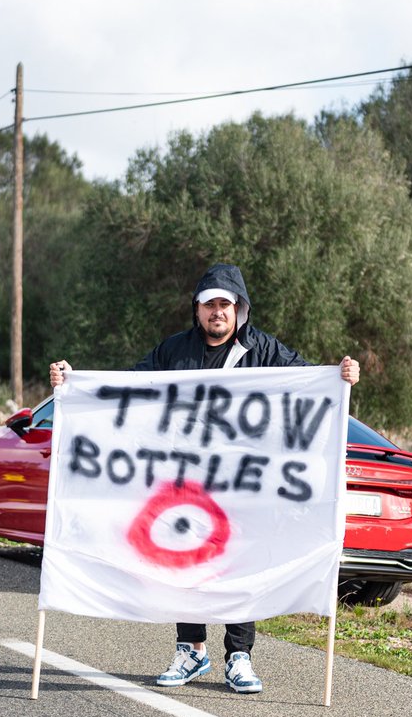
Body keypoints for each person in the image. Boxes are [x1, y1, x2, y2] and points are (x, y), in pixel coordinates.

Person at [50, 262, 360, 694]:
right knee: (186, 563)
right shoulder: (173, 351)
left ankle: (240, 657)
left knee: (241, 564)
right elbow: (129, 387)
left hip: (243, 485)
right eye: (209, 304)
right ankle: (191, 650)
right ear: (197, 310)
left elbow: (309, 383)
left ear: (240, 310)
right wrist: (74, 382)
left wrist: (340, 376)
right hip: (186, 481)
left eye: (225, 304)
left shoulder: (263, 350)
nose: (217, 312)